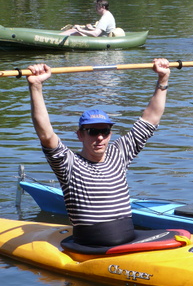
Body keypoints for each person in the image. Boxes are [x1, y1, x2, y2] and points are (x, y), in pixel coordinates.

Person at [26, 58, 171, 246]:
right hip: (90, 245)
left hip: (128, 240)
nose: (100, 137)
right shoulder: (68, 163)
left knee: (180, 234)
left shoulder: (120, 154)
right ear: (80, 135)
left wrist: (163, 79)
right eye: (93, 132)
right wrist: (36, 87)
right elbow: (45, 133)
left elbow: (151, 117)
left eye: (105, 131)